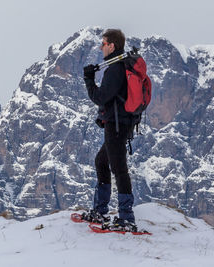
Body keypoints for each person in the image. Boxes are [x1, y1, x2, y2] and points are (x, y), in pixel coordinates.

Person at [82, 29, 137, 232]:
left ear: (112, 46)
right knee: (102, 161)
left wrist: (89, 80)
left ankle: (126, 218)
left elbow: (100, 97)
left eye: (103, 43)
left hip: (116, 126)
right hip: (118, 124)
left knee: (119, 169)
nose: (101, 47)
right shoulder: (119, 66)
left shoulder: (115, 69)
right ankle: (101, 210)